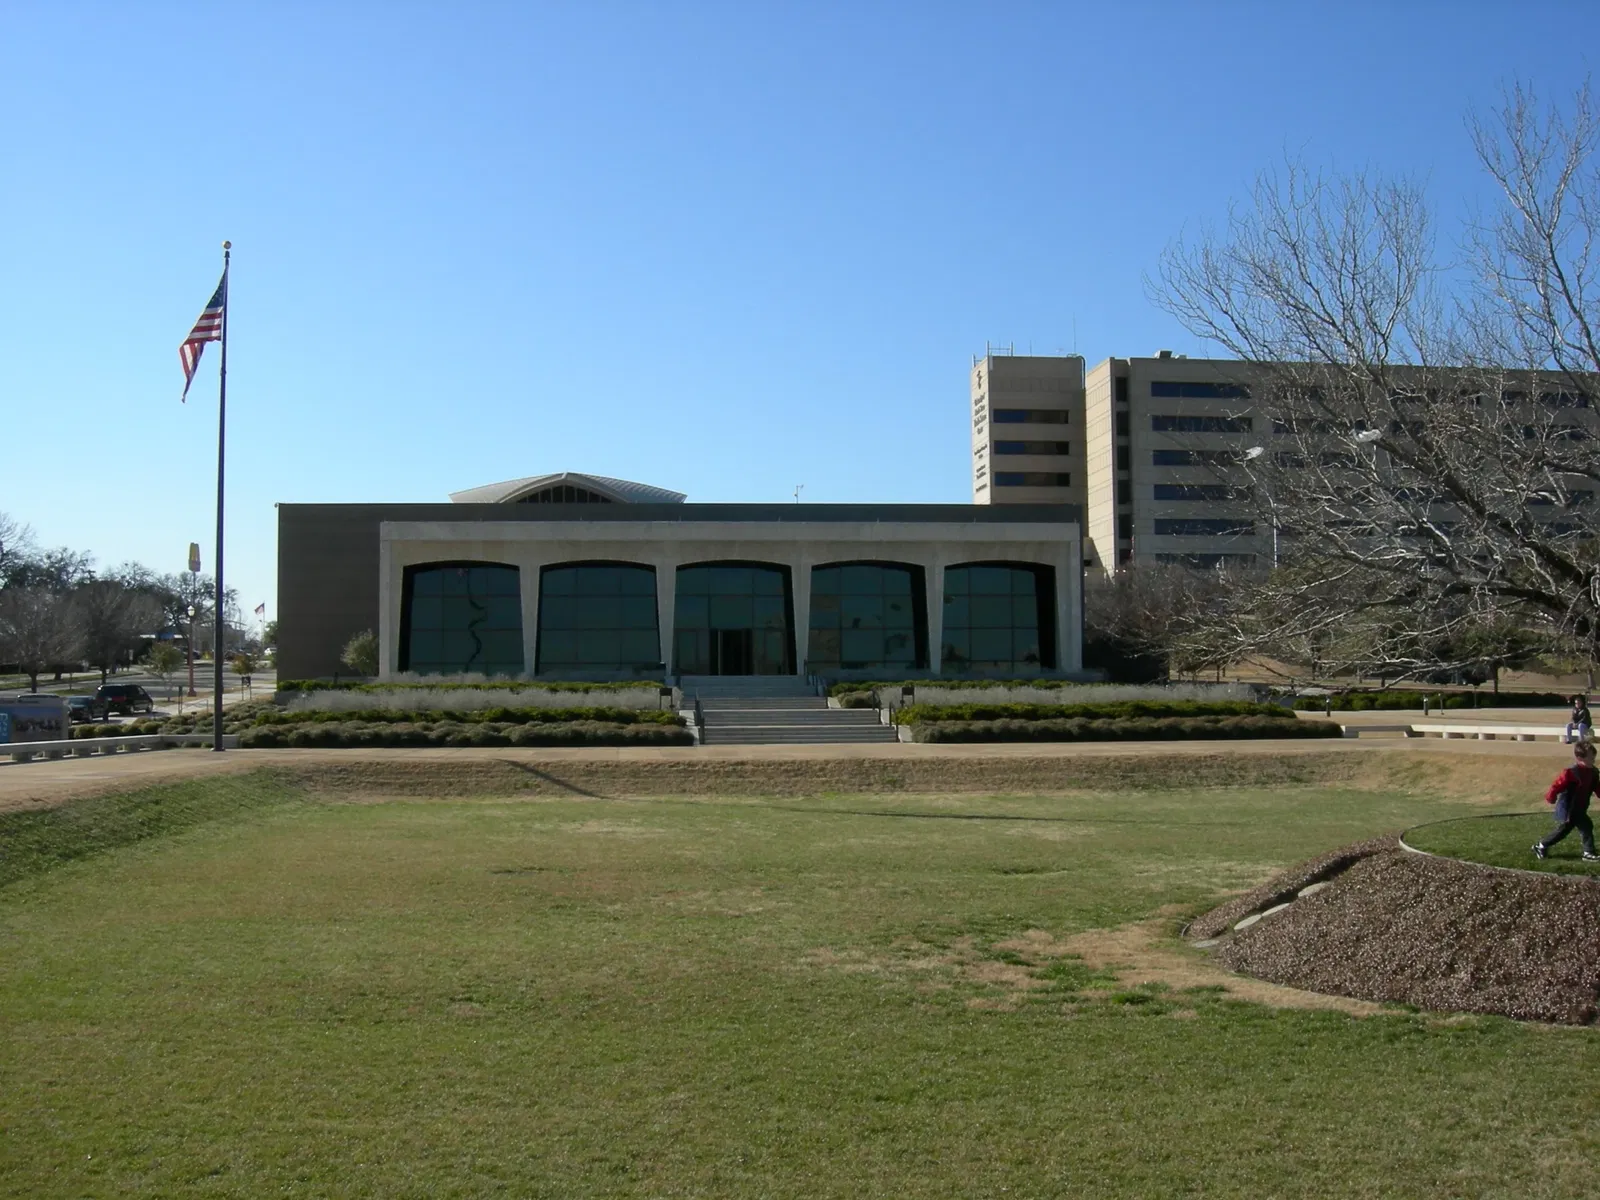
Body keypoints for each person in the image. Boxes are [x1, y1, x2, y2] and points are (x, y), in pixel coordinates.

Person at [1534, 741, 1600, 861]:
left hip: (1580, 807)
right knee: (1566, 829)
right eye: (1591, 758)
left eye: (1594, 757)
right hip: (1568, 808)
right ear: (1580, 758)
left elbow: (1597, 787)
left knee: (1584, 826)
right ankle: (1542, 845)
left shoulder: (1594, 772)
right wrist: (1551, 797)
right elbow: (1557, 785)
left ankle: (1588, 852)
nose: (1593, 760)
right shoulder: (1571, 772)